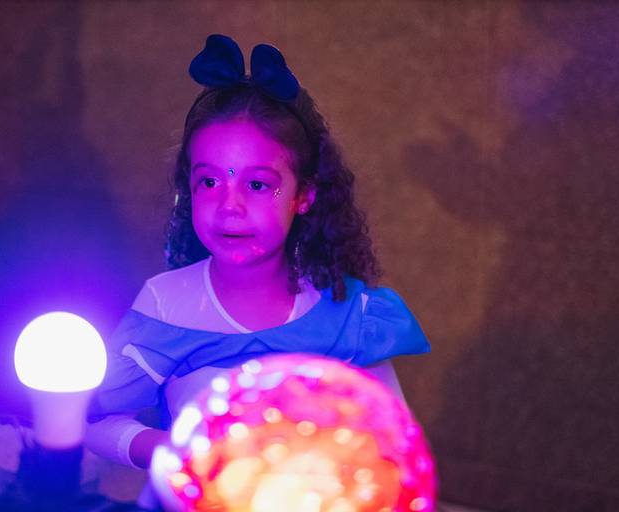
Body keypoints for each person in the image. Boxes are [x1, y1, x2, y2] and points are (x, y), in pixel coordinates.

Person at [85, 35, 430, 475]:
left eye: (257, 185)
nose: (229, 206)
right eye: (210, 182)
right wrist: (173, 450)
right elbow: (97, 421)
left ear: (303, 196)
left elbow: (394, 440)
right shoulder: (166, 304)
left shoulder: (346, 313)